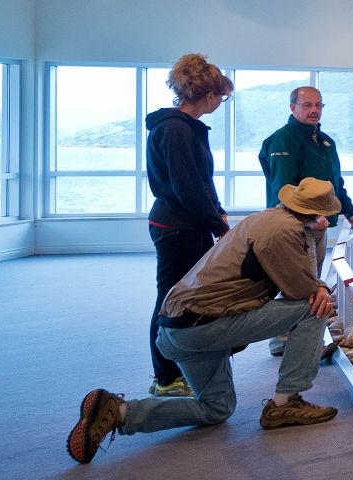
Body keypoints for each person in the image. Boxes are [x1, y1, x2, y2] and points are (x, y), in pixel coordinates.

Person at [66, 178, 345, 464]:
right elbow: (303, 290)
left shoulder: (268, 219)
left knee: (217, 408)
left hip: (176, 326)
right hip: (203, 324)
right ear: (318, 212)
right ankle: (286, 402)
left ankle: (119, 411)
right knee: (313, 309)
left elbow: (307, 278)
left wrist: (313, 250)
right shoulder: (285, 231)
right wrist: (318, 271)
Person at [142, 53, 233, 398]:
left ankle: (182, 365)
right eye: (221, 97)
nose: (220, 103)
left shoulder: (185, 127)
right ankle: (165, 377)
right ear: (208, 95)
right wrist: (218, 225)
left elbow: (200, 182)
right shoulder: (176, 129)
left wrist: (217, 212)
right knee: (169, 298)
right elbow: (187, 187)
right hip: (177, 227)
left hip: (186, 223)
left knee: (184, 295)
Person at [260, 86, 353, 356]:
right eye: (307, 105)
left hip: (320, 225)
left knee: (310, 282)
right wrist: (307, 218)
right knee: (291, 281)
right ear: (292, 107)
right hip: (295, 227)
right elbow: (282, 187)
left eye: (318, 105)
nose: (314, 110)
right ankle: (281, 339)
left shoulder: (325, 141)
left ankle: (301, 336)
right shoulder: (283, 140)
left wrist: (349, 210)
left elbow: (334, 183)